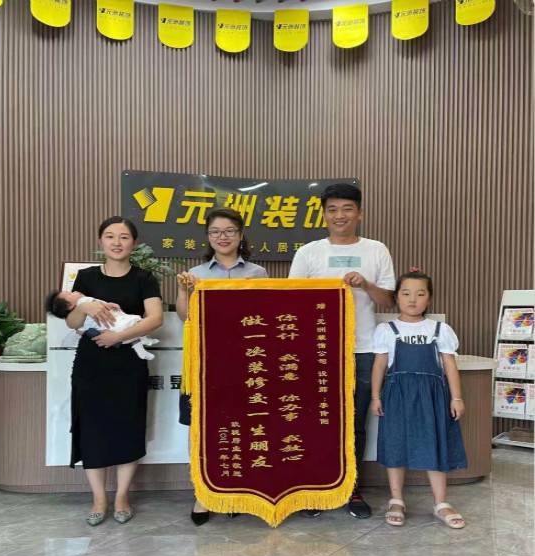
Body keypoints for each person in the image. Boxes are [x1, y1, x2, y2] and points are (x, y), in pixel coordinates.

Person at [288, 183, 395, 519]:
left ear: (359, 213)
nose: (340, 215)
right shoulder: (308, 253)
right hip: (316, 351)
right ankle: (315, 487)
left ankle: (351, 488)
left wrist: (366, 284)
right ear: (323, 215)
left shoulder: (376, 250)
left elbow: (388, 300)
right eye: (332, 209)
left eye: (347, 208)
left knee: (355, 423)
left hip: (362, 350)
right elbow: (292, 301)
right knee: (314, 421)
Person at [64, 216, 163, 526]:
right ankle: (98, 499)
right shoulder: (85, 277)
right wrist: (83, 307)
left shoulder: (144, 277)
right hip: (91, 366)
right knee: (92, 430)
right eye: (110, 236)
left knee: (127, 428)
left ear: (134, 243)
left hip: (128, 365)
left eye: (123, 237)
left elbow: (156, 318)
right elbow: (71, 323)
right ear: (100, 242)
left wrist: (118, 336)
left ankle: (122, 496)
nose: (116, 242)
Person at [176, 206, 268, 526]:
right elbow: (186, 317)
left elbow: (265, 316)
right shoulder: (196, 273)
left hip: (245, 363)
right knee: (202, 427)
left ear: (240, 234)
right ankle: (202, 494)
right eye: (215, 232)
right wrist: (184, 290)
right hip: (205, 363)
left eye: (229, 231)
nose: (222, 237)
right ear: (208, 237)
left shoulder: (258, 273)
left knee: (243, 426)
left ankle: (237, 490)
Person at [370, 269, 467, 529]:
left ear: (429, 298)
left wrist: (456, 397)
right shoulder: (386, 330)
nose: (412, 299)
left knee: (434, 442)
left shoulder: (440, 329)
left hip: (432, 397)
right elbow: (379, 365)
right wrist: (376, 396)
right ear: (397, 297)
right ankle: (396, 500)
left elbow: (449, 365)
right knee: (396, 443)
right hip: (397, 396)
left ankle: (441, 502)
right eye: (406, 293)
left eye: (420, 294)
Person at [45, 290, 159, 360]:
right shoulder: (82, 301)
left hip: (111, 333)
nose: (74, 291)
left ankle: (141, 350)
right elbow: (73, 323)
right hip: (115, 325)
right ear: (70, 306)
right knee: (137, 322)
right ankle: (144, 340)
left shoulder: (80, 315)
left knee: (133, 330)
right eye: (70, 293)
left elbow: (80, 330)